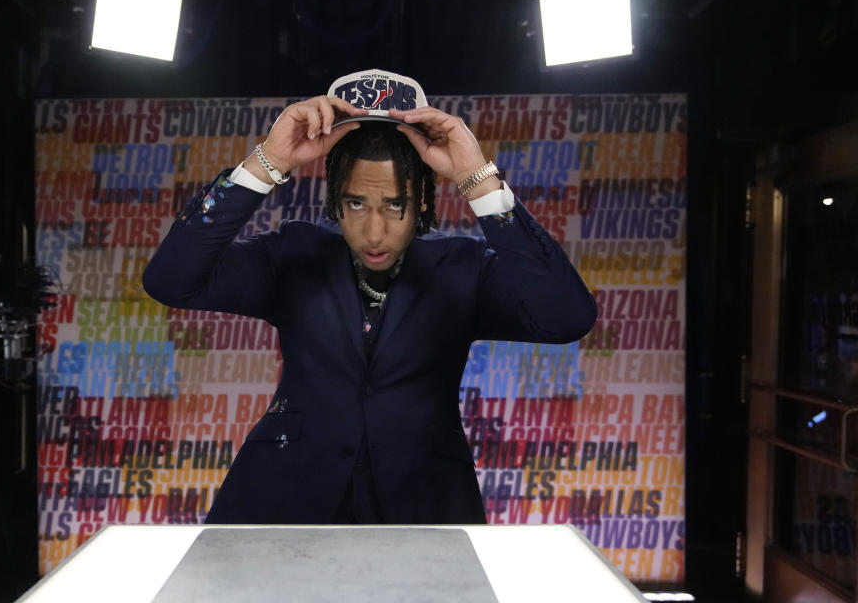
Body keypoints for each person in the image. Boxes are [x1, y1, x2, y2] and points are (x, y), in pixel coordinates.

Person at [142, 69, 597, 524]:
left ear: (422, 198)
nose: (374, 233)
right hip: (283, 499)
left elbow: (567, 317)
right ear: (334, 196)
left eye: (394, 205)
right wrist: (268, 162)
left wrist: (477, 181)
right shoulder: (293, 254)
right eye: (356, 204)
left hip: (425, 506)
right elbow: (170, 280)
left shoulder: (464, 266)